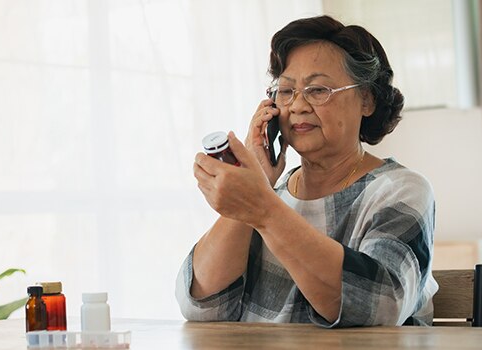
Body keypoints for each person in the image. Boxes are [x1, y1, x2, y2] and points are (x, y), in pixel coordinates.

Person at [175, 15, 438, 328]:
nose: (297, 105)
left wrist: (262, 208)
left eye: (318, 89)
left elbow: (377, 306)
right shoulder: (270, 196)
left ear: (366, 99)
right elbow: (202, 306)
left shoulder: (400, 190)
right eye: (285, 91)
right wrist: (253, 187)